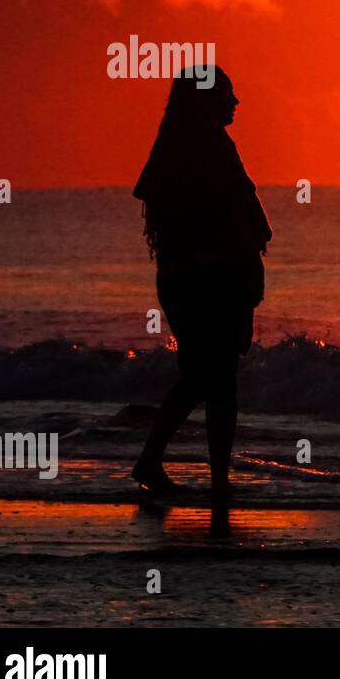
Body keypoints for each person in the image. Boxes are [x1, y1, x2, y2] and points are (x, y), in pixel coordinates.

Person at [131, 66, 272, 499]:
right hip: (207, 281)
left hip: (196, 280)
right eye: (227, 94)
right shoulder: (201, 150)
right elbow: (207, 224)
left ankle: (169, 465)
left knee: (204, 378)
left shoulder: (191, 146)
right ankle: (207, 479)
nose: (235, 102)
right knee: (214, 380)